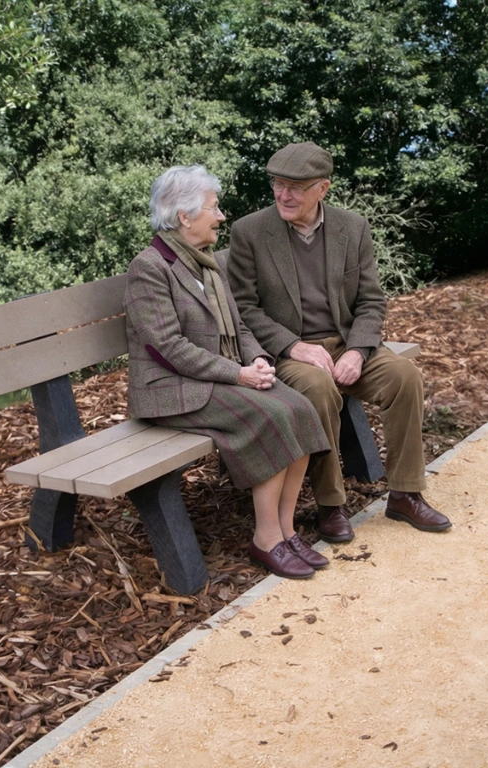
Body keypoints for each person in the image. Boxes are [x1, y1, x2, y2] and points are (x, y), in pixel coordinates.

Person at [227, 142, 451, 543]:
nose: (283, 194)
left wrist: (358, 350)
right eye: (278, 184)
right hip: (291, 352)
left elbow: (370, 300)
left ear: (322, 189)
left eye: (295, 187)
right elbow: (244, 307)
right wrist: (293, 347)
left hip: (348, 342)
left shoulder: (353, 227)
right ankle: (331, 505)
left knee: (405, 376)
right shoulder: (250, 232)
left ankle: (405, 493)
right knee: (318, 389)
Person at [124, 164, 332, 580]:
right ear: (184, 216)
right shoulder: (149, 267)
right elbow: (168, 349)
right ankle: (266, 539)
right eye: (214, 208)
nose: (221, 217)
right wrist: (237, 375)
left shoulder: (206, 263)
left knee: (300, 407)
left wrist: (257, 360)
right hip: (170, 387)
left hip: (216, 377)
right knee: (271, 415)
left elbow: (239, 327)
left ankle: (288, 531)